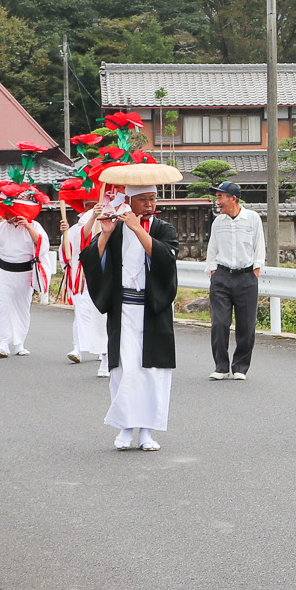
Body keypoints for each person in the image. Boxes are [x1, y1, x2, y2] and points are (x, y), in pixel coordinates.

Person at [80, 163, 182, 452]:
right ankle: (125, 428)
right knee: (124, 370)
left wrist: (138, 229)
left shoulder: (163, 228)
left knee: (151, 371)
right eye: (143, 199)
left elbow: (166, 259)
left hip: (153, 310)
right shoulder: (114, 227)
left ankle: (147, 430)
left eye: (152, 198)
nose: (149, 204)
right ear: (130, 201)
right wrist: (105, 232)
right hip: (123, 310)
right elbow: (89, 258)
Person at [203, 180, 264, 380]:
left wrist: (255, 271)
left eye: (220, 197)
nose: (217, 201)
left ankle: (240, 367)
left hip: (246, 276)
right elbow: (212, 249)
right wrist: (214, 273)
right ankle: (221, 366)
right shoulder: (217, 222)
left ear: (233, 198)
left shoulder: (252, 219)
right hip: (221, 276)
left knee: (246, 325)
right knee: (219, 323)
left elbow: (259, 247)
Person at [0, 186, 55, 359]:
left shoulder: (34, 226)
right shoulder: (1, 228)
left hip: (25, 274)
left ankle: (19, 343)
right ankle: (3, 344)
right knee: (3, 307)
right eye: (5, 212)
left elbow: (43, 247)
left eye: (9, 212)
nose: (6, 215)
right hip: (5, 273)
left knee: (22, 308)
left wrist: (28, 228)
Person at [59, 179, 109, 376]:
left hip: (102, 273)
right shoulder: (77, 226)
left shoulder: (110, 218)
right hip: (80, 273)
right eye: (86, 204)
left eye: (93, 202)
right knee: (81, 310)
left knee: (101, 313)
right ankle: (78, 348)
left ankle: (100, 349)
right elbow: (76, 244)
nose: (90, 206)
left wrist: (98, 217)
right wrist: (64, 232)